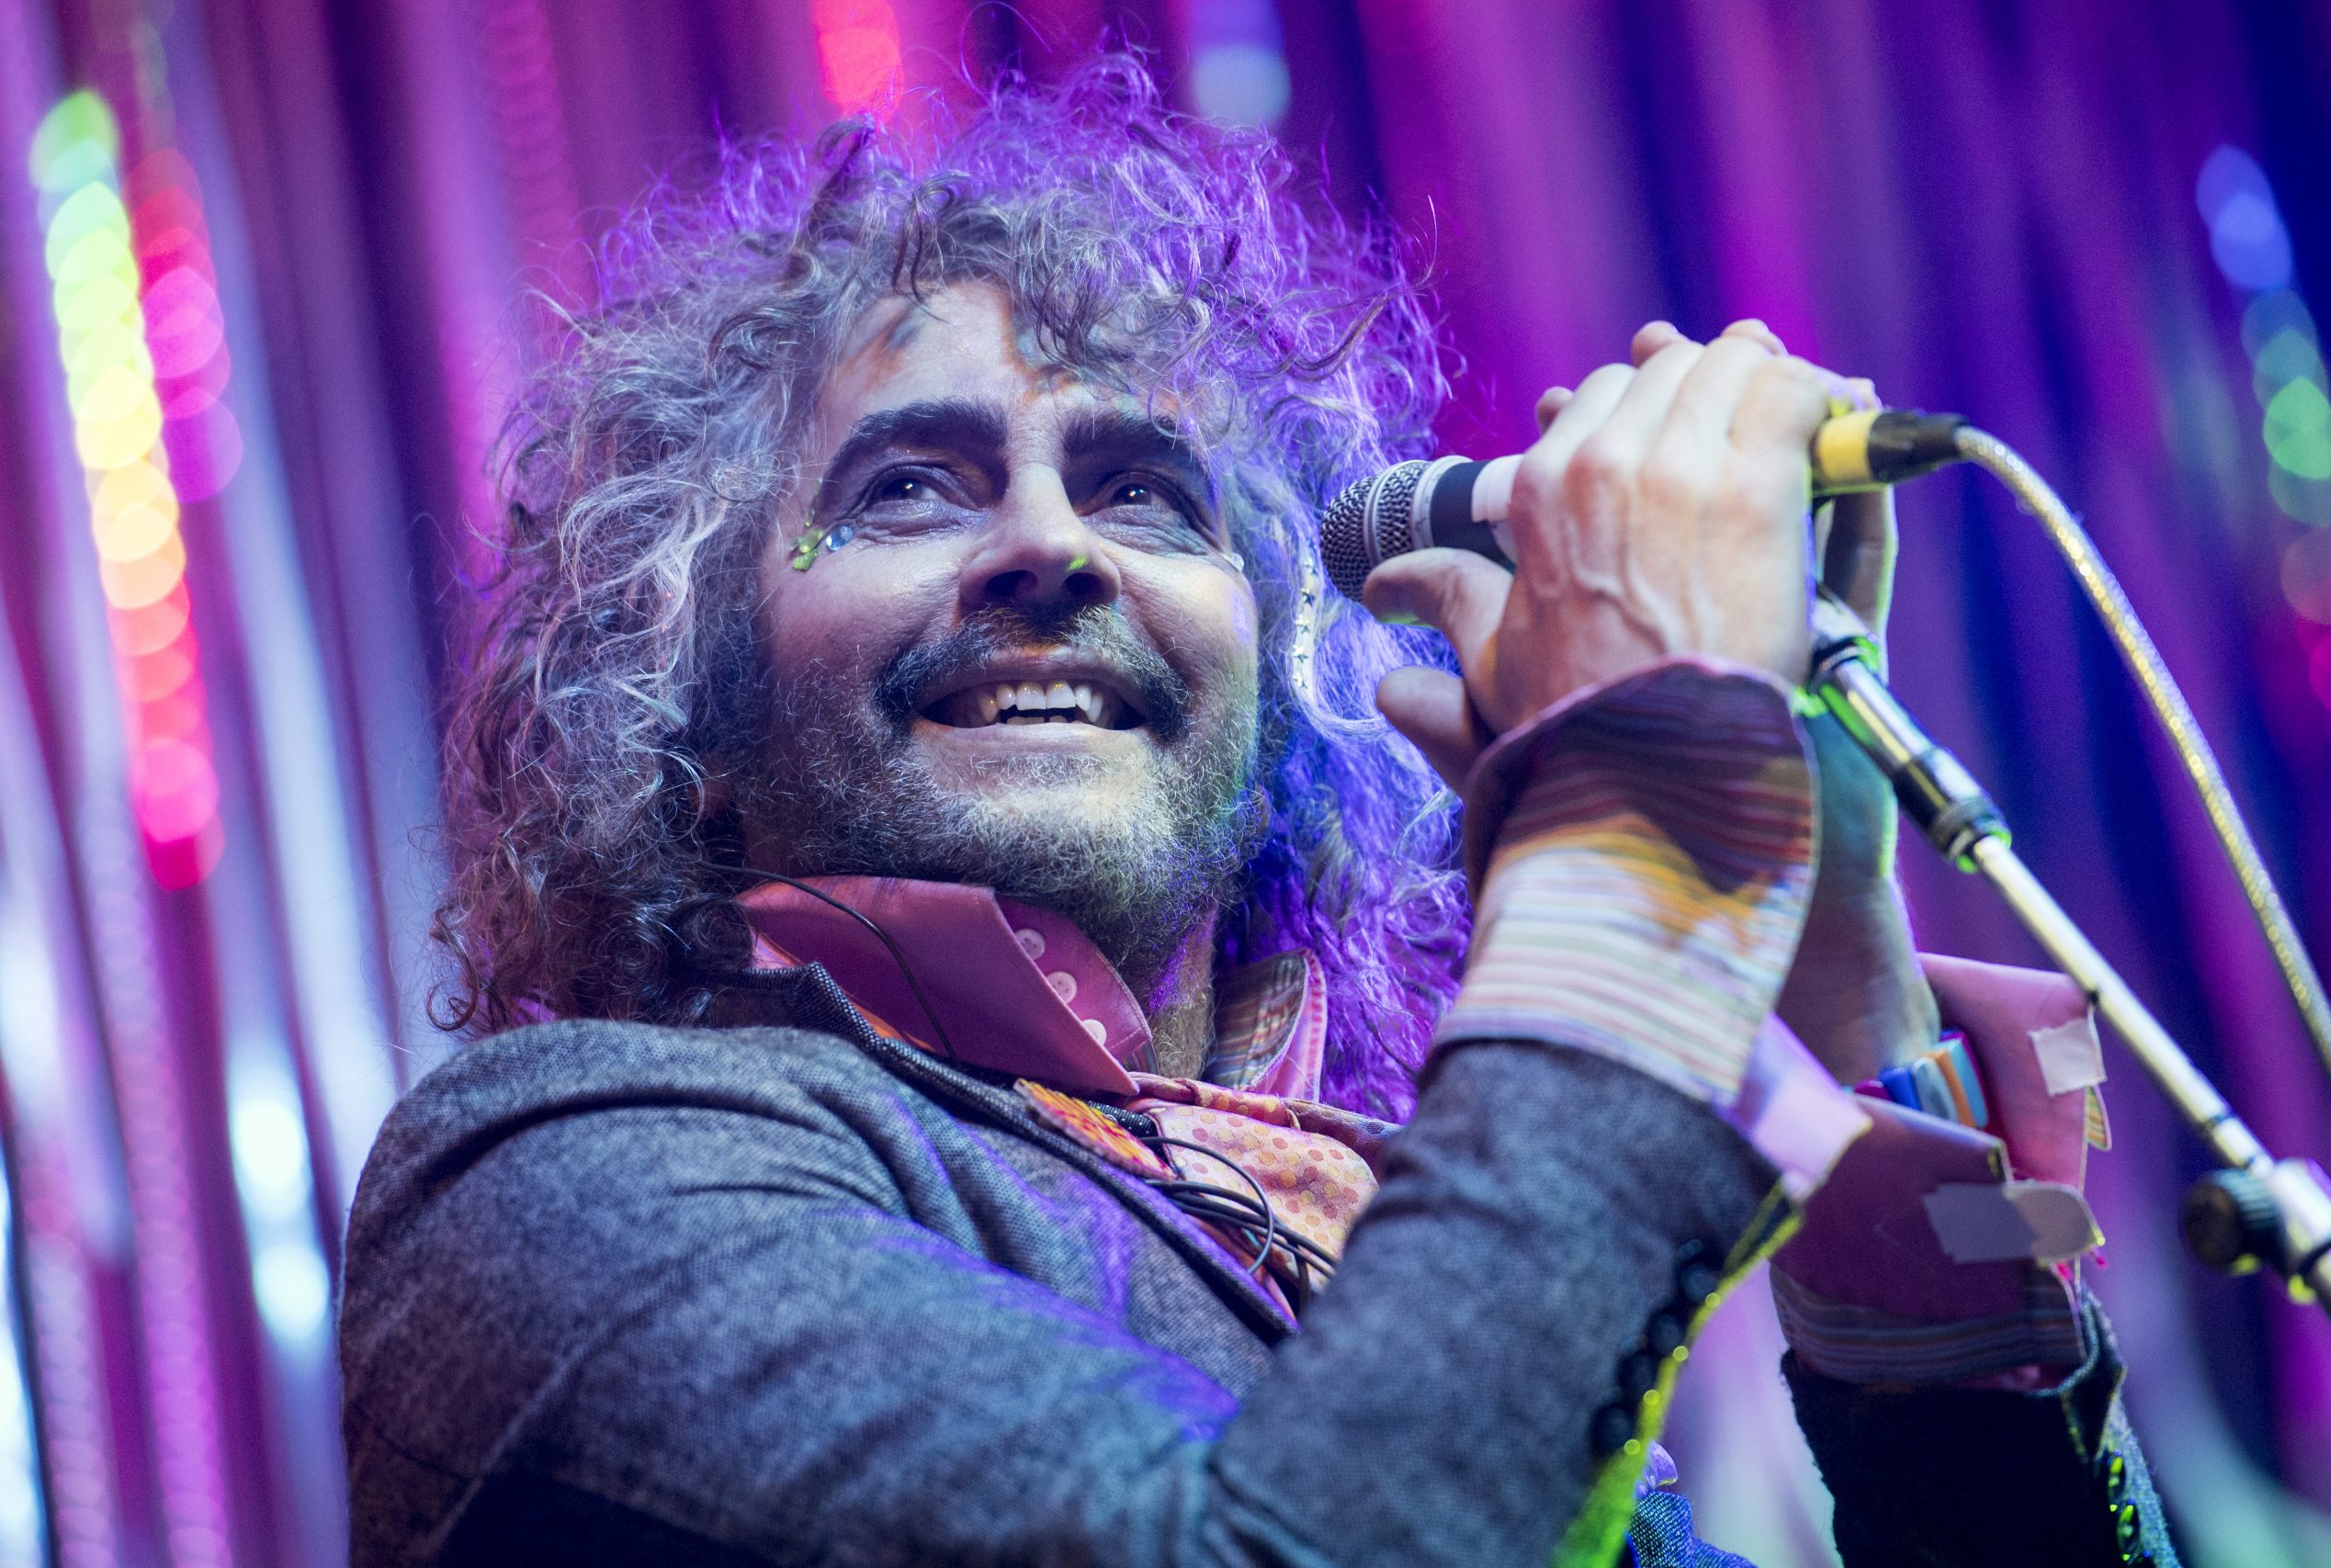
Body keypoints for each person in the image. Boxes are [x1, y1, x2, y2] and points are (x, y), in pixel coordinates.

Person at [341, 57, 2175, 1566]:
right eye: (905, 487)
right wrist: (1654, 811)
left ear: (1287, 683)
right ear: (695, 706)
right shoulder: (557, 1176)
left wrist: (1832, 978)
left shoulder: (1386, 1245)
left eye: (1146, 492)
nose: (1051, 545)